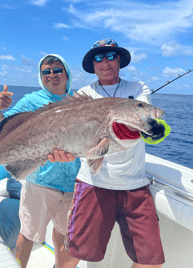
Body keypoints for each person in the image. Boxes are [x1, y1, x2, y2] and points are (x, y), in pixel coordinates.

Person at [54, 39, 166, 268]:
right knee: (74, 252)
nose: (104, 62)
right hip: (94, 183)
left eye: (110, 56)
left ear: (119, 60)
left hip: (134, 183)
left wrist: (153, 128)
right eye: (98, 57)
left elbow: (143, 117)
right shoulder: (84, 94)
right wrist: (64, 151)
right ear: (92, 64)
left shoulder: (137, 89)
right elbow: (71, 134)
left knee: (151, 260)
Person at [0, 54, 81, 268]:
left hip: (74, 184)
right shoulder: (31, 101)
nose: (52, 75)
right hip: (39, 181)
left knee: (63, 234)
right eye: (46, 72)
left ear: (67, 73)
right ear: (40, 76)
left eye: (57, 70)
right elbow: (3, 131)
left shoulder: (80, 101)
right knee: (28, 233)